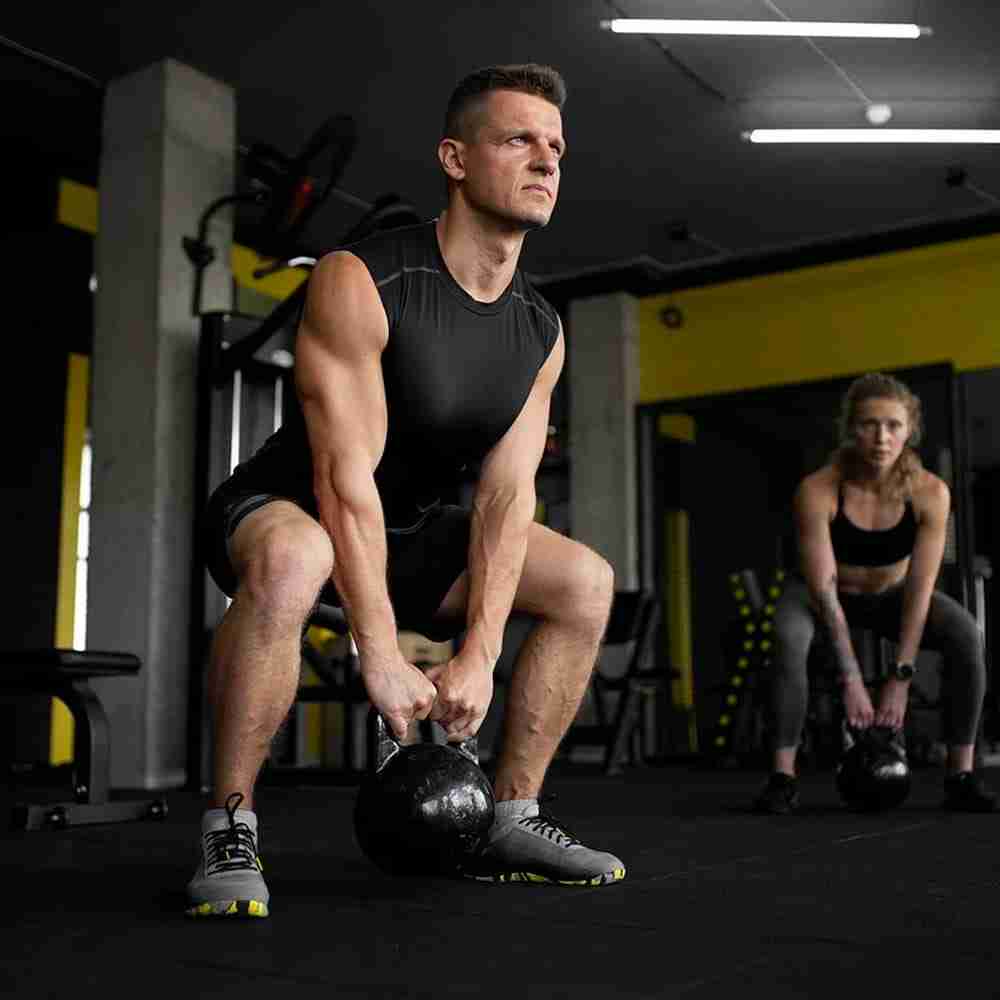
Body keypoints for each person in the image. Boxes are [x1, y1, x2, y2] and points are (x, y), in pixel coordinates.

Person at [186, 63, 625, 918]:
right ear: (455, 159)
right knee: (296, 550)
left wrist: (481, 654)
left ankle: (511, 817)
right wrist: (379, 651)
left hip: (411, 531)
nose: (546, 160)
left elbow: (505, 499)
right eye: (518, 140)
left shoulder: (541, 330)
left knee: (585, 582)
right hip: (283, 510)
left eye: (556, 147)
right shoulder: (364, 277)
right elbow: (342, 481)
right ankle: (228, 825)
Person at [753, 372, 995, 815]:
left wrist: (900, 678)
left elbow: (920, 589)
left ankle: (961, 774)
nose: (881, 437)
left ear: (909, 430)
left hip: (893, 594)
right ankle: (782, 777)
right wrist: (851, 678)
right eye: (869, 424)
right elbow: (823, 589)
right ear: (851, 428)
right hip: (819, 595)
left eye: (893, 425)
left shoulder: (929, 493)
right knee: (787, 640)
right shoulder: (818, 490)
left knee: (965, 635)